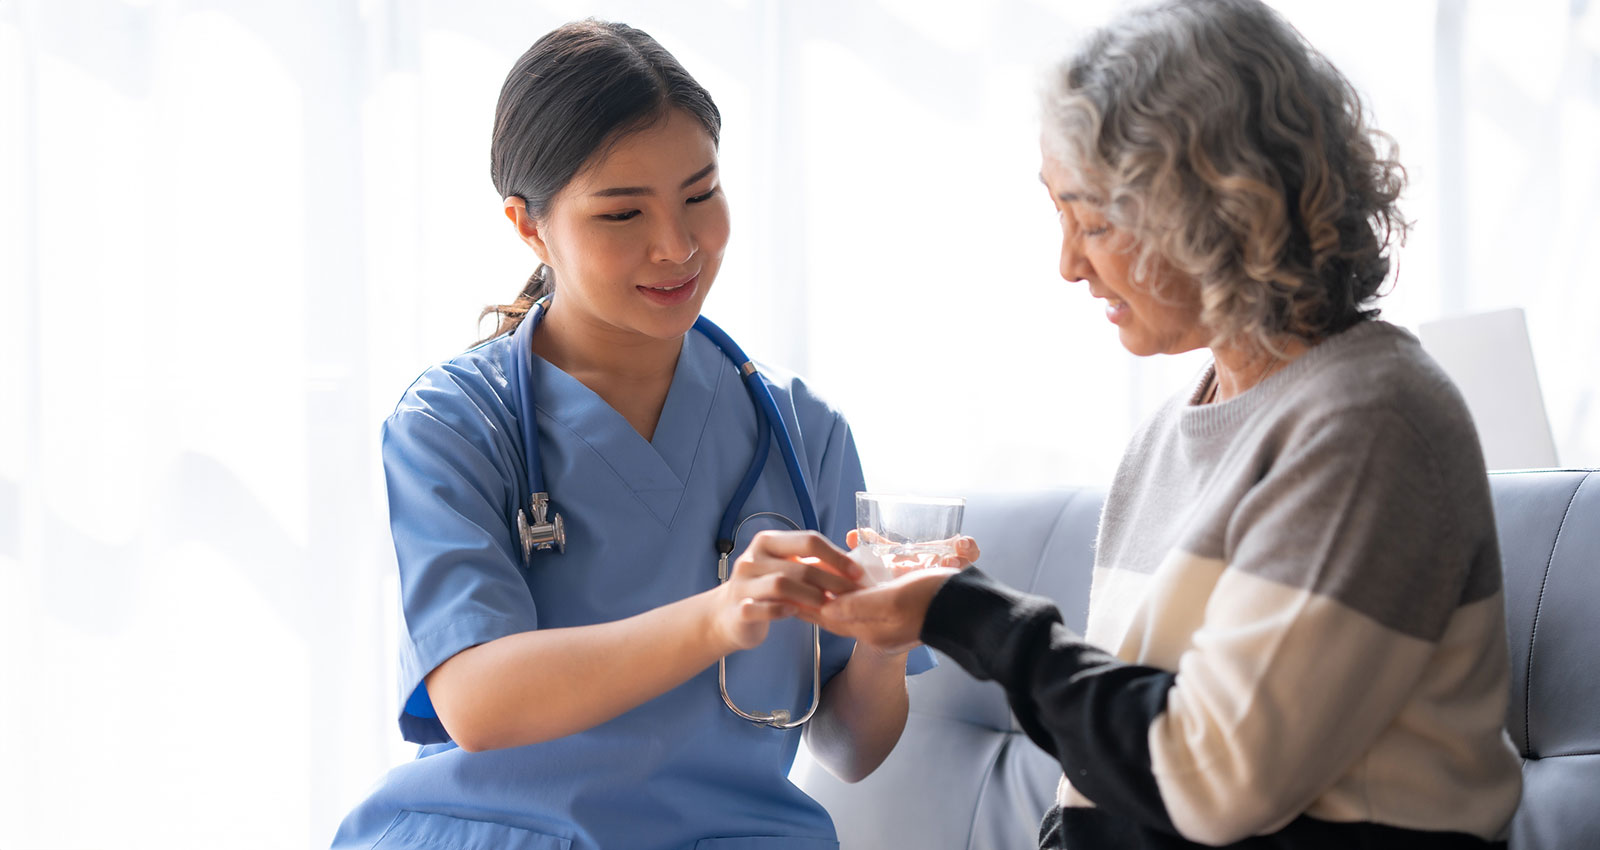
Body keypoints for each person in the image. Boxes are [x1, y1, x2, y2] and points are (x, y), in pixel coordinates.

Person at [807, 1, 1525, 848]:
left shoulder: (1370, 422)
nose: (1069, 264)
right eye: (1060, 216)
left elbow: (1213, 779)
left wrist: (966, 614)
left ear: (1227, 207)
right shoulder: (1174, 435)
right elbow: (1114, 777)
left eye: (1098, 222)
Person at [330, 20, 933, 850]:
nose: (678, 246)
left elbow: (850, 745)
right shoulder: (455, 424)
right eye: (622, 213)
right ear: (529, 226)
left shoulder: (801, 432)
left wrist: (886, 641)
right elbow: (478, 702)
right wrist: (721, 616)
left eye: (700, 194)